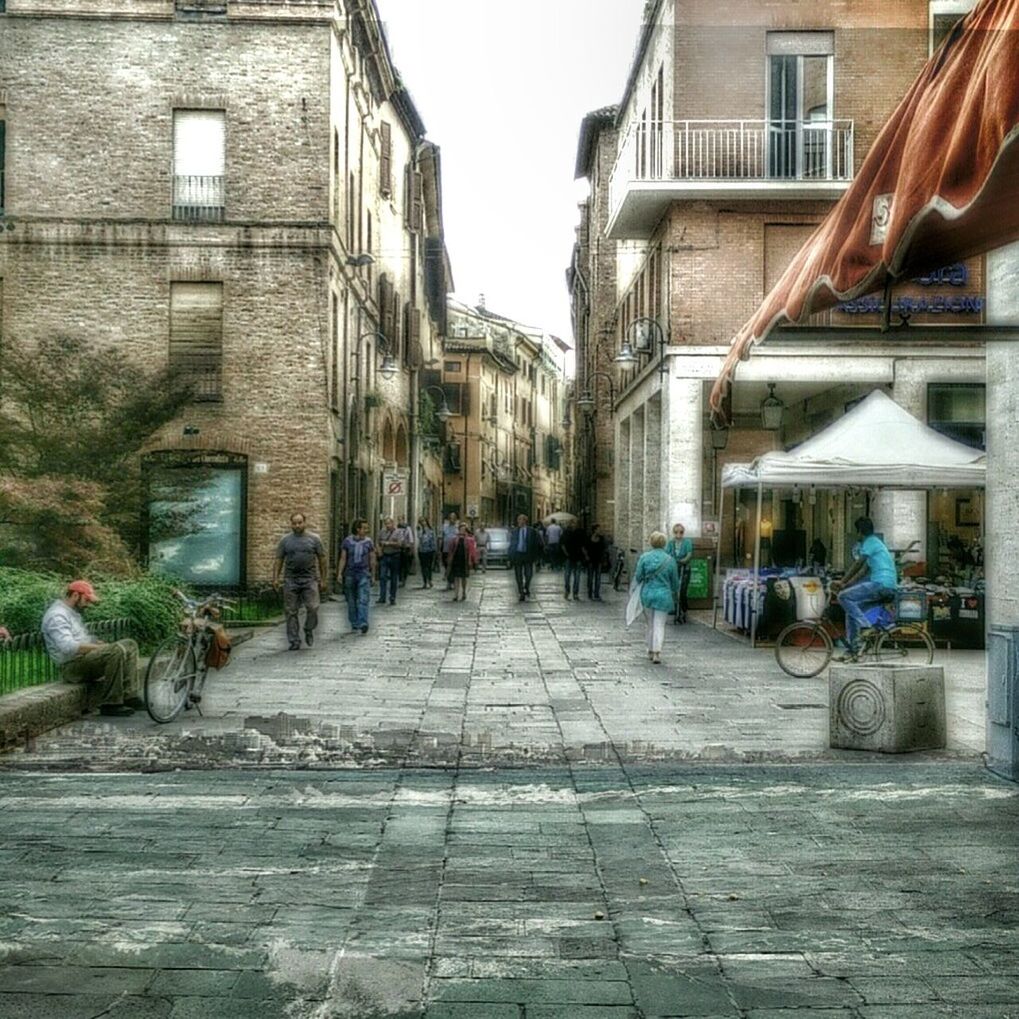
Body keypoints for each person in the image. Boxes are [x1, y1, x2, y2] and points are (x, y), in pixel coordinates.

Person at [41, 580, 143, 716]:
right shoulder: (57, 615)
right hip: (71, 667)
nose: (88, 605)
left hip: (83, 660)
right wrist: (97, 648)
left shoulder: (71, 612)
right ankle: (111, 703)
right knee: (115, 650)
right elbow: (67, 647)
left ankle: (130, 696)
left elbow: (79, 638)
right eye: (86, 600)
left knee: (130, 644)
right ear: (75, 595)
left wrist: (95, 643)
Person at [831, 516, 899, 660]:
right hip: (887, 586)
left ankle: (866, 626)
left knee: (843, 597)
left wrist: (842, 582)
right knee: (850, 611)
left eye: (857, 532)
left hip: (881, 584)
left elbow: (857, 565)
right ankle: (852, 650)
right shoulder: (876, 544)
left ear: (860, 532)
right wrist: (845, 585)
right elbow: (863, 571)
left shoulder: (869, 542)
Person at [272, 512, 327, 651]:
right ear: (291, 524)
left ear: (305, 522)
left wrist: (323, 579)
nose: (297, 525)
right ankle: (294, 640)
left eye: (299, 522)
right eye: (294, 523)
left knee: (313, 607)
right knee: (291, 611)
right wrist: (275, 578)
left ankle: (308, 628)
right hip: (291, 579)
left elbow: (322, 559)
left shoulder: (314, 539)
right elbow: (278, 560)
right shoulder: (285, 541)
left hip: (310, 579)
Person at [633, 532, 680, 665]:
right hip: (664, 596)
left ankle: (649, 649)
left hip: (647, 594)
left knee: (650, 624)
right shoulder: (670, 560)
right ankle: (657, 652)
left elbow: (638, 576)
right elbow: (675, 582)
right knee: (659, 624)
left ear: (651, 542)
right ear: (664, 543)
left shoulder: (644, 557)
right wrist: (675, 594)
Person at [336, 519, 375, 634]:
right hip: (350, 573)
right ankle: (354, 622)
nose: (367, 530)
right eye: (364, 528)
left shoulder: (369, 542)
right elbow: (343, 558)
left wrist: (372, 575)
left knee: (363, 598)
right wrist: (339, 573)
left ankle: (363, 622)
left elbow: (372, 559)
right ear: (358, 529)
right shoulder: (347, 542)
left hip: (363, 573)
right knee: (351, 599)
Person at [509, 514, 544, 601]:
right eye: (518, 520)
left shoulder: (532, 531)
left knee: (529, 574)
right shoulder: (514, 531)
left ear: (525, 521)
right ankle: (521, 592)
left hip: (528, 555)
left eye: (521, 520)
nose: (519, 522)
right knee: (518, 575)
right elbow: (512, 544)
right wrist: (510, 556)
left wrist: (537, 557)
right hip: (518, 555)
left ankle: (526, 587)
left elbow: (537, 544)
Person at [665, 523, 694, 624]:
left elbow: (689, 554)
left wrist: (683, 561)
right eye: (676, 532)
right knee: (674, 590)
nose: (679, 534)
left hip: (684, 568)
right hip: (673, 568)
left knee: (682, 590)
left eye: (681, 532)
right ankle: (675, 608)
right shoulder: (670, 543)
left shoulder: (687, 542)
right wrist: (672, 561)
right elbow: (667, 554)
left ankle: (683, 610)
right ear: (673, 532)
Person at [376, 516, 408, 606]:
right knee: (382, 576)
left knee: (394, 577)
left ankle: (392, 597)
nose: (387, 525)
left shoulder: (398, 532)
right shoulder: (382, 532)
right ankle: (382, 597)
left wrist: (388, 543)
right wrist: (379, 551)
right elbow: (378, 542)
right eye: (386, 524)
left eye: (389, 523)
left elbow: (400, 544)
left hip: (395, 556)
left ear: (393, 523)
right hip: (385, 556)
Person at [445, 522, 478, 601]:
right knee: (456, 577)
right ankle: (456, 594)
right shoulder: (454, 539)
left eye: (464, 529)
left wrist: (474, 561)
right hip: (456, 560)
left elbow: (472, 551)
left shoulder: (469, 540)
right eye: (461, 529)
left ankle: (463, 592)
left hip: (465, 560)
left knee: (463, 578)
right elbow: (451, 550)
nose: (462, 531)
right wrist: (449, 559)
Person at [561, 520, 587, 600]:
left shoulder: (580, 533)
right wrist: (566, 554)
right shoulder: (566, 533)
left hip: (578, 557)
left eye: (574, 523)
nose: (573, 525)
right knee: (567, 575)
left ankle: (575, 593)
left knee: (577, 576)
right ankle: (567, 591)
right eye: (572, 523)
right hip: (569, 557)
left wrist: (585, 555)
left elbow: (583, 545)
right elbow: (562, 544)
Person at [585, 524, 608, 601]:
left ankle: (596, 594)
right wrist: (586, 556)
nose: (600, 530)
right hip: (590, 560)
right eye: (598, 529)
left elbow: (604, 549)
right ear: (594, 530)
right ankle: (590, 593)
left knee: (598, 578)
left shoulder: (601, 539)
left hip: (598, 561)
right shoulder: (588, 538)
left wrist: (604, 560)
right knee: (590, 578)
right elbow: (585, 548)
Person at [417, 517, 437, 589]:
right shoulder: (419, 530)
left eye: (424, 521)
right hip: (422, 551)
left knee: (429, 566)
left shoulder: (431, 530)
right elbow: (419, 537)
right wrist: (421, 530)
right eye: (421, 522)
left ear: (426, 522)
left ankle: (430, 580)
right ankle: (424, 581)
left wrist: (435, 549)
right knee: (423, 567)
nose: (423, 523)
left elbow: (433, 539)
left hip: (430, 550)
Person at [441, 512, 459, 589]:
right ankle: (449, 580)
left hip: (454, 550)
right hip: (445, 549)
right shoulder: (444, 527)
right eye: (450, 518)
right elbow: (441, 537)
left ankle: (451, 582)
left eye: (453, 518)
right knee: (446, 565)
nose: (452, 519)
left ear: (455, 519)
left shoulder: (457, 527)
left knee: (452, 566)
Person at [396, 518, 415, 587]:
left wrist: (411, 548)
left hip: (406, 548)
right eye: (399, 520)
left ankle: (404, 579)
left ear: (404, 520)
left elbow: (411, 539)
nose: (400, 521)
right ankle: (400, 579)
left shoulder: (408, 528)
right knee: (399, 565)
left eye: (401, 519)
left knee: (405, 565)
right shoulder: (397, 528)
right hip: (399, 548)